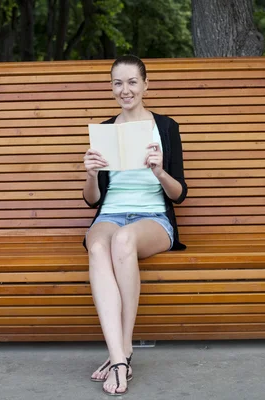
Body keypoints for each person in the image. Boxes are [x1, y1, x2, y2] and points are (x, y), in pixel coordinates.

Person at [82, 55, 188, 396]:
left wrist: (159, 172)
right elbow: (92, 201)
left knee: (124, 240)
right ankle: (120, 357)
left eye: (131, 82)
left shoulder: (166, 128)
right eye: (117, 83)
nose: (124, 89)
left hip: (152, 220)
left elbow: (180, 194)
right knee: (98, 245)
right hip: (109, 215)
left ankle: (121, 354)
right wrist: (91, 173)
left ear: (145, 85)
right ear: (111, 88)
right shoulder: (105, 130)